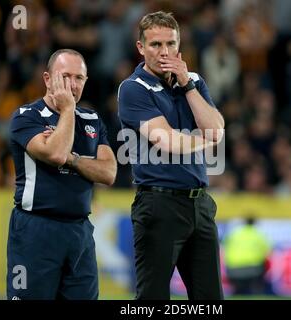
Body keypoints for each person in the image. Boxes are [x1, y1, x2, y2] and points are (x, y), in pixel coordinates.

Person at [117, 11, 225, 300]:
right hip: (159, 204)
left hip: (199, 205)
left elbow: (217, 127)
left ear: (179, 46)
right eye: (155, 45)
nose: (164, 52)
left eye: (171, 44)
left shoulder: (194, 82)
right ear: (141, 48)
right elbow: (168, 141)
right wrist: (207, 139)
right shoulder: (133, 89)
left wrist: (188, 85)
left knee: (211, 300)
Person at [6, 49, 117, 300]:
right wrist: (67, 111)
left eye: (79, 78)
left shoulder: (92, 120)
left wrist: (72, 158)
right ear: (48, 79)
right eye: (65, 76)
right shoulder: (27, 117)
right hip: (35, 230)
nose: (72, 85)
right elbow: (55, 154)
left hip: (80, 233)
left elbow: (109, 172)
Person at [223, 215, 271, 295]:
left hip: (233, 270)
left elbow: (224, 248)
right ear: (255, 223)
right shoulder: (258, 234)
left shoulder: (234, 233)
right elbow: (267, 252)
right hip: (253, 270)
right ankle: (258, 291)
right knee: (264, 264)